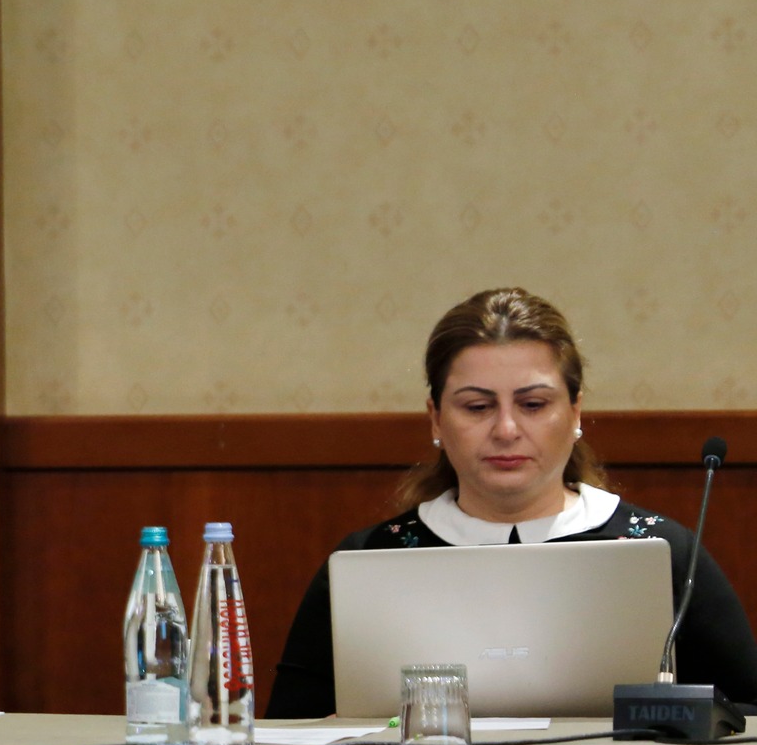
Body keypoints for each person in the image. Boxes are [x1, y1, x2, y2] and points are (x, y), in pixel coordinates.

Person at [267, 286, 757, 718]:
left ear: (576, 412)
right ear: (436, 418)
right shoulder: (368, 560)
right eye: (477, 407)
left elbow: (747, 711)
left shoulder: (662, 552)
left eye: (533, 404)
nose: (505, 429)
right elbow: (288, 731)